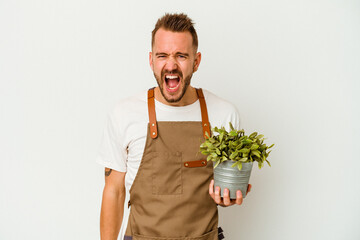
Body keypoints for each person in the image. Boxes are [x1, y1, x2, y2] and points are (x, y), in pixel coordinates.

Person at [97, 13, 252, 240]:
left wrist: (228, 196)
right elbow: (114, 191)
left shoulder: (224, 113)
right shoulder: (124, 113)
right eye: (162, 56)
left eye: (181, 56)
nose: (171, 65)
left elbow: (228, 184)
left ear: (196, 61)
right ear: (151, 60)